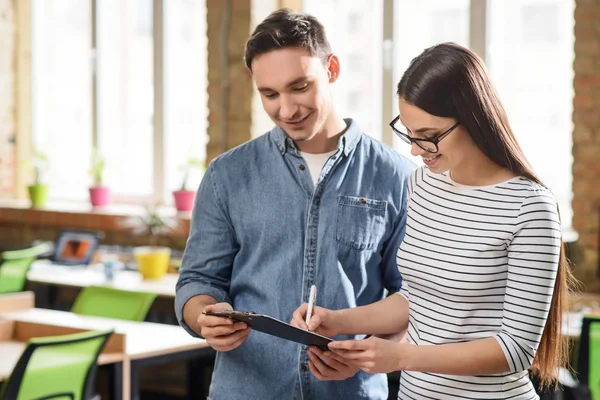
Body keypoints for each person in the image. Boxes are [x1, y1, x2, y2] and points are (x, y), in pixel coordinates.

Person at [291, 42, 574, 399]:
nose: (414, 150)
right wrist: (336, 321)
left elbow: (515, 350)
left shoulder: (529, 207)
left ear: (474, 117)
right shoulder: (423, 184)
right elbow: (419, 298)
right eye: (409, 133)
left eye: (428, 137)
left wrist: (402, 357)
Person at [175, 8, 416, 400]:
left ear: (332, 69)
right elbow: (196, 282)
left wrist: (366, 353)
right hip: (245, 390)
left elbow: (413, 296)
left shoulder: (397, 177)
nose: (286, 109)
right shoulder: (227, 175)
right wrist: (204, 316)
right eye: (269, 94)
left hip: (349, 391)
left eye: (299, 87)